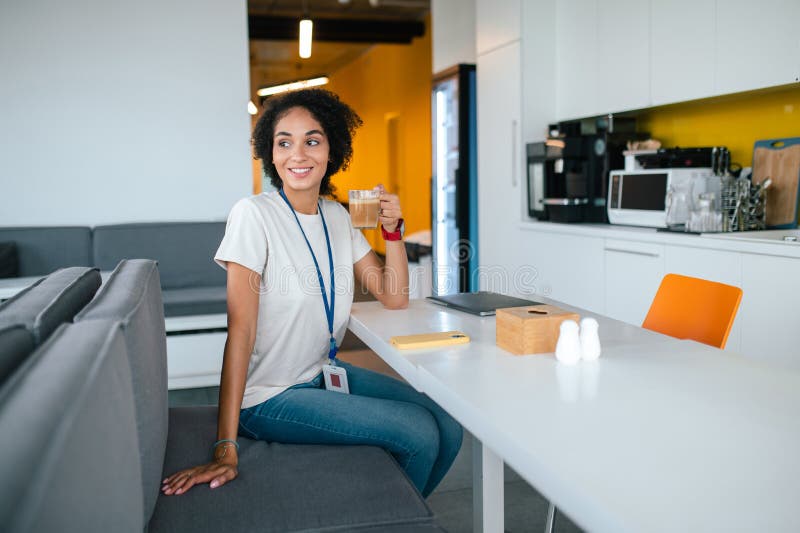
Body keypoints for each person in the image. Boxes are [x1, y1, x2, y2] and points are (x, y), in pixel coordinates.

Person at [161, 88, 462, 498]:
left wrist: (393, 233)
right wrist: (225, 447)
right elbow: (241, 333)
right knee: (419, 433)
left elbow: (393, 296)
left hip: (321, 373)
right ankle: (389, 520)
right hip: (269, 396)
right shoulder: (253, 216)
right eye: (284, 142)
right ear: (271, 153)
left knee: (447, 423)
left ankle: (395, 517)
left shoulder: (337, 216)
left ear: (330, 151)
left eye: (312, 141)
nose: (297, 154)